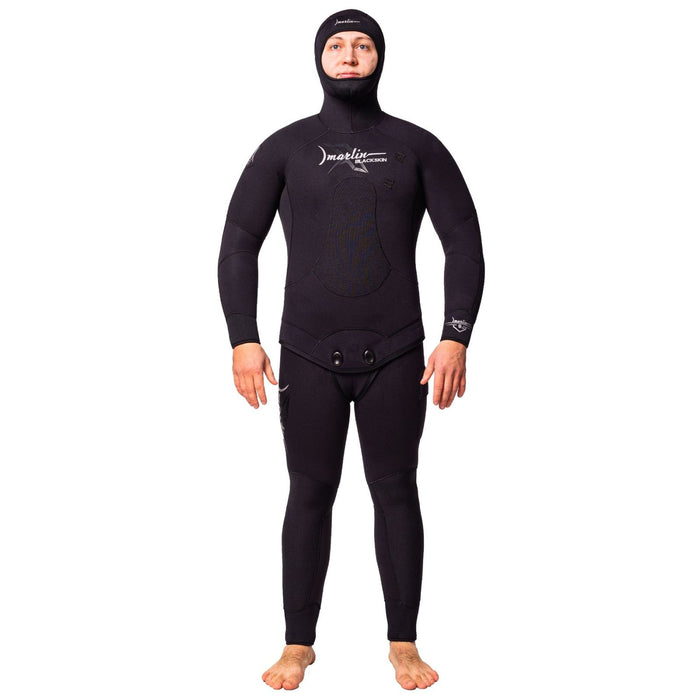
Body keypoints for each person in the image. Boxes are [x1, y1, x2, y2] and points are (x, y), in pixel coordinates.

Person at [217, 8, 485, 691]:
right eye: (335, 44)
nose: (348, 54)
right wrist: (243, 337)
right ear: (318, 57)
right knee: (309, 491)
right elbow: (238, 243)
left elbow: (464, 242)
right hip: (307, 351)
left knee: (395, 490)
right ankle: (298, 645)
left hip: (396, 351)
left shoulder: (417, 146)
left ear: (379, 58)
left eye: (362, 44)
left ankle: (403, 644)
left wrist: (455, 336)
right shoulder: (285, 147)